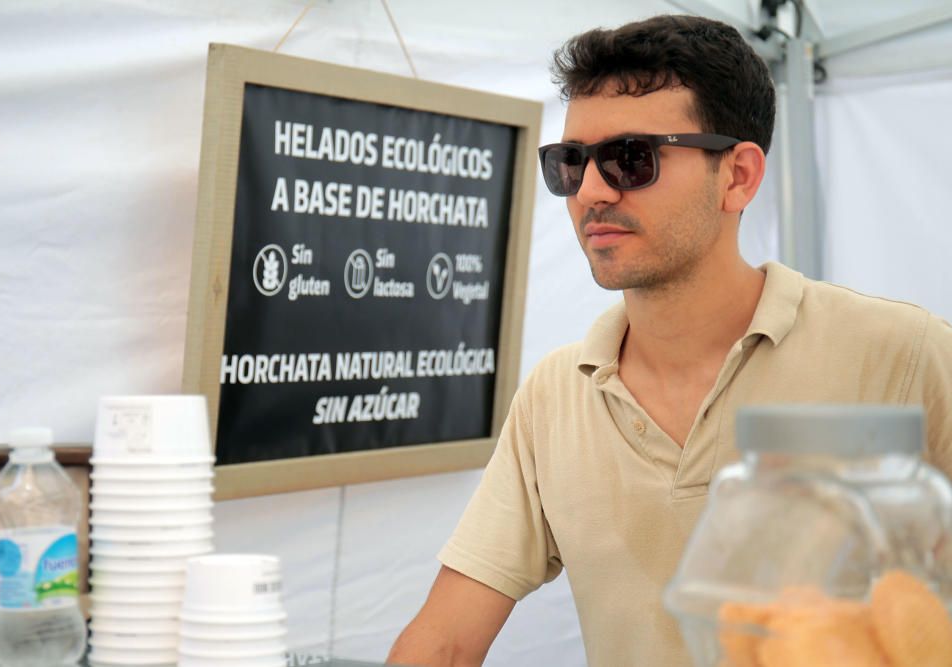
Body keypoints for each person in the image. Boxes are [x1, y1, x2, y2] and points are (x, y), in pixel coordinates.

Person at [387, 14, 952, 667]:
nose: (590, 192)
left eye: (632, 158)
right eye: (569, 162)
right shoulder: (554, 396)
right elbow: (446, 639)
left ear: (738, 176)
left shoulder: (901, 354)